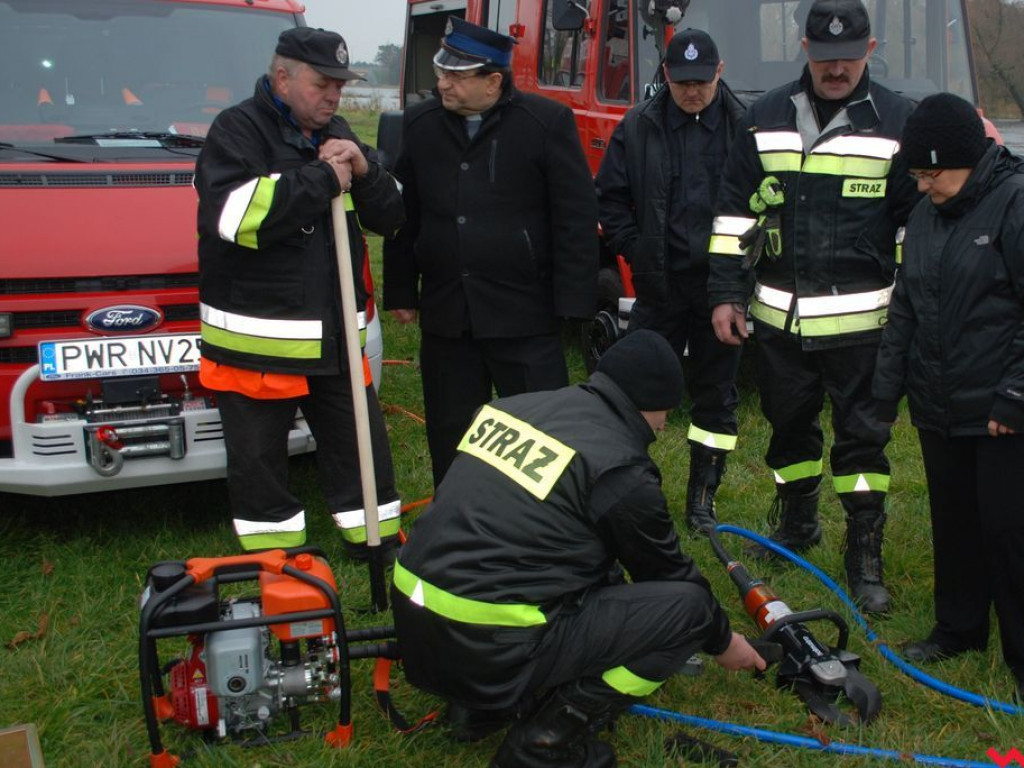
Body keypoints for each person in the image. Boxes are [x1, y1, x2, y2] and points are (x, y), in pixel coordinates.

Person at [392, 330, 766, 768]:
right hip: (490, 645)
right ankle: (541, 744)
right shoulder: (619, 469)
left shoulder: (511, 408)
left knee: (581, 566)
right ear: (648, 401)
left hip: (417, 626)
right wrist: (723, 640)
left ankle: (479, 706)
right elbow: (667, 576)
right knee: (689, 612)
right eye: (665, 412)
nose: (664, 425)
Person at [706, 0, 919, 613]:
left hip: (863, 328)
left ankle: (864, 551)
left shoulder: (897, 122)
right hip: (779, 322)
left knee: (863, 443)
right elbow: (733, 213)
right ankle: (797, 525)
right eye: (825, 59)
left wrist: (909, 312)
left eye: (849, 59)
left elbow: (913, 227)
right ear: (805, 49)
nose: (836, 71)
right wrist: (725, 294)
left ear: (870, 52)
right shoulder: (765, 114)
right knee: (788, 432)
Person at [194, 27, 404, 554]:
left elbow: (394, 215)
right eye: (322, 83)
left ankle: (375, 542)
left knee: (363, 452)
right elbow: (235, 215)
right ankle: (277, 561)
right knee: (259, 464)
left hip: (334, 340)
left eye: (340, 84)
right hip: (259, 345)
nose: (334, 95)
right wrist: (321, 180)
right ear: (282, 77)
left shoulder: (336, 133)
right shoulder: (236, 131)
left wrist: (364, 169)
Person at [383, 17, 598, 489]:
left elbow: (575, 217)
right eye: (442, 73)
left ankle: (543, 524)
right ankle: (458, 520)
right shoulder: (420, 125)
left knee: (541, 432)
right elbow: (405, 214)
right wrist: (402, 289)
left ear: (493, 81)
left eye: (456, 77)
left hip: (524, 313)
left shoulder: (545, 123)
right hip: (448, 314)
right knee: (451, 430)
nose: (442, 83)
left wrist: (573, 304)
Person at [873, 93, 1024, 699]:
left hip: (1001, 412)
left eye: (931, 173)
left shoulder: (1014, 205)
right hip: (939, 405)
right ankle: (959, 627)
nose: (924, 185)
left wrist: (1014, 394)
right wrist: (884, 396)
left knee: (1008, 530)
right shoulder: (928, 214)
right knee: (954, 522)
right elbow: (905, 306)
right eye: (917, 175)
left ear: (962, 159)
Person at [595, 28, 747, 535]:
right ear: (665, 76)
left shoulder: (745, 128)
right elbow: (610, 199)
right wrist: (635, 250)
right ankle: (630, 488)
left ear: (720, 73)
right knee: (632, 387)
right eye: (682, 83)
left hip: (721, 290)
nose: (692, 92)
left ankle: (703, 501)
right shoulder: (637, 126)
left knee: (716, 397)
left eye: (702, 82)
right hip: (659, 285)